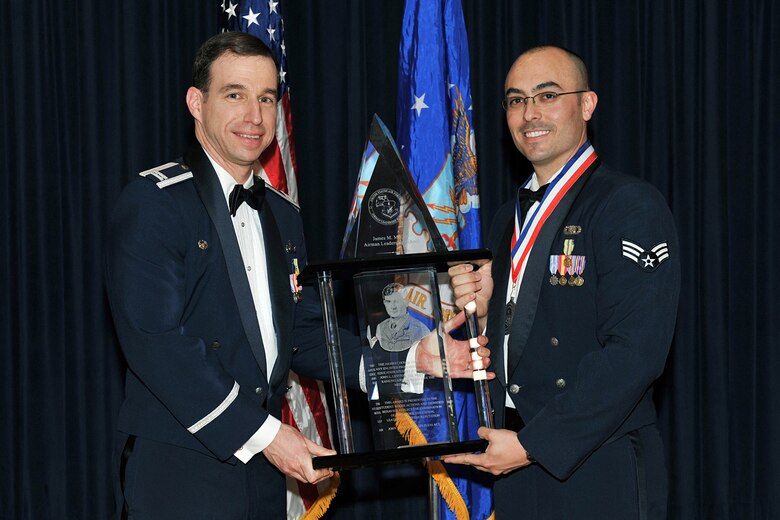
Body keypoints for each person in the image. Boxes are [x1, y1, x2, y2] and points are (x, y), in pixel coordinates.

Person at [105, 32, 489, 519]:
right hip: (181, 470)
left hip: (262, 476)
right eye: (235, 94)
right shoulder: (155, 203)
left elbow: (304, 334)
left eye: (267, 98)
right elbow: (157, 344)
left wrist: (410, 360)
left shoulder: (282, 216)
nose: (255, 116)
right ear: (196, 103)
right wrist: (267, 436)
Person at [444, 46, 680, 519]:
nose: (529, 113)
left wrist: (535, 445)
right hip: (519, 461)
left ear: (587, 105)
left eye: (547, 95)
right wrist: (486, 315)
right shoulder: (503, 220)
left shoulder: (629, 205)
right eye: (515, 100)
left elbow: (635, 354)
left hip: (595, 464)